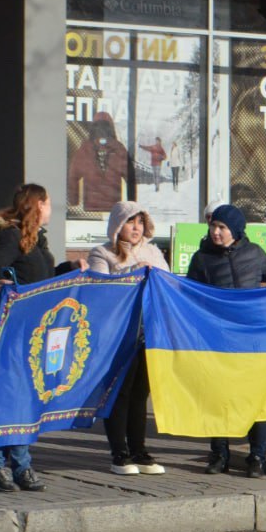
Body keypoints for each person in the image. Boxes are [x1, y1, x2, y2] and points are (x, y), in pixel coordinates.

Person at [187, 204, 266, 478]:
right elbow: (189, 295)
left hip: (252, 340)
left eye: (222, 228)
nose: (215, 232)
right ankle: (218, 455)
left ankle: (257, 458)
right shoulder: (201, 259)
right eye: (213, 226)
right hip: (218, 341)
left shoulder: (254, 255)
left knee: (255, 399)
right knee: (218, 399)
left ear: (235, 231)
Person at [0, 183, 59, 493]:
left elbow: (40, 278)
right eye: (48, 204)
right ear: (37, 206)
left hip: (31, 330)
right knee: (8, 398)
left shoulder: (36, 240)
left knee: (24, 399)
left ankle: (20, 467)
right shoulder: (10, 235)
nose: (51, 209)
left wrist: (70, 268)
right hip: (7, 327)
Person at [87, 201, 171, 476]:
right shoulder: (102, 252)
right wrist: (132, 273)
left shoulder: (153, 251)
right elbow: (99, 290)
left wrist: (155, 273)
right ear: (117, 225)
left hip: (149, 334)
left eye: (140, 222)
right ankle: (119, 453)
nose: (136, 228)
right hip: (117, 335)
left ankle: (140, 450)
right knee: (119, 393)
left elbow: (170, 286)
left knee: (140, 394)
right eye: (130, 222)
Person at [67, 111, 128, 212]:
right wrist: (132, 200)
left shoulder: (85, 148)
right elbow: (130, 178)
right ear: (111, 128)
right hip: (113, 207)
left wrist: (74, 201)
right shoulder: (119, 148)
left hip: (92, 206)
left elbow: (73, 176)